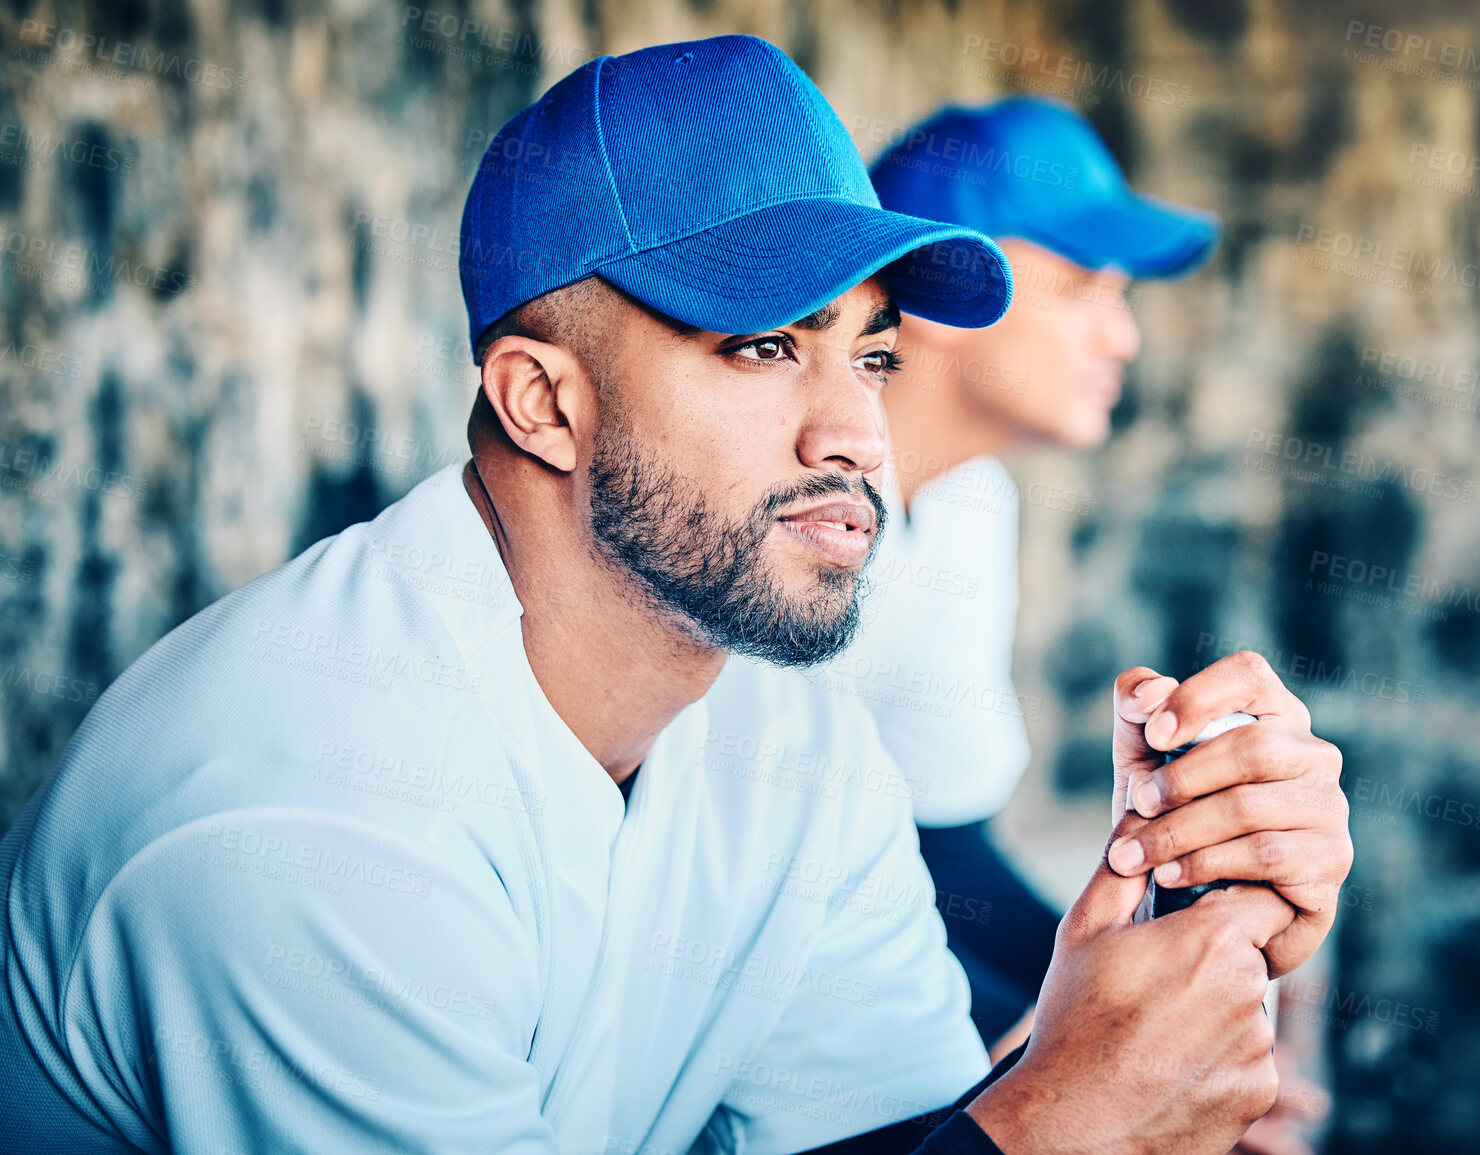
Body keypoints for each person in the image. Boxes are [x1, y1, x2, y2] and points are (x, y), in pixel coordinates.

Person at [0, 36, 1351, 1155]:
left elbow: (888, 1132)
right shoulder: (302, 817)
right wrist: (1062, 1118)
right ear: (542, 401)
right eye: (763, 344)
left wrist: (1176, 936)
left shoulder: (786, 733)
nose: (855, 435)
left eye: (870, 353)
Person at [824, 97, 1333, 1149]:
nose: (1125, 333)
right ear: (934, 288)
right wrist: (1089, 1062)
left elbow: (946, 853)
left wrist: (1187, 1040)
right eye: (1081, 286)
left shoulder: (969, 501)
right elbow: (780, 934)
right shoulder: (785, 515)